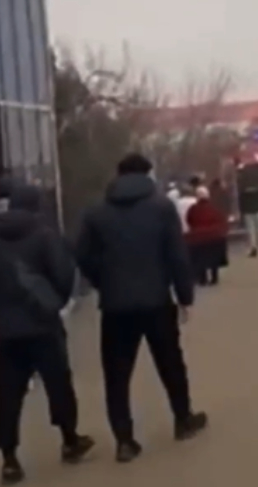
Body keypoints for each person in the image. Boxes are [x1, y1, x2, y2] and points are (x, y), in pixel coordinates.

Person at [75, 153, 207, 463]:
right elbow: (177, 255)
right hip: (156, 300)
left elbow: (82, 255)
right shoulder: (161, 208)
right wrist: (185, 296)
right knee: (170, 363)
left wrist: (103, 281)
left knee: (117, 374)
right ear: (147, 174)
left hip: (115, 305)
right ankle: (183, 419)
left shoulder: (96, 212)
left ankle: (124, 440)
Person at [0, 185, 94, 484]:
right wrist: (55, 303)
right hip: (42, 324)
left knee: (8, 392)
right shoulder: (44, 235)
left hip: (4, 329)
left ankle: (9, 458)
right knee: (58, 383)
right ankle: (70, 440)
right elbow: (64, 275)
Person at [185, 187, 229, 286]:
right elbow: (221, 220)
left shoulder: (193, 209)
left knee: (200, 259)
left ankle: (203, 279)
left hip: (198, 238)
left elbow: (189, 220)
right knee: (214, 258)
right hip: (215, 237)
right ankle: (214, 278)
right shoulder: (214, 207)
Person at [237, 180, 258, 257]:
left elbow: (241, 203)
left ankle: (254, 248)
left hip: (248, 212)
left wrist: (242, 212)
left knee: (251, 231)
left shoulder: (243, 192)